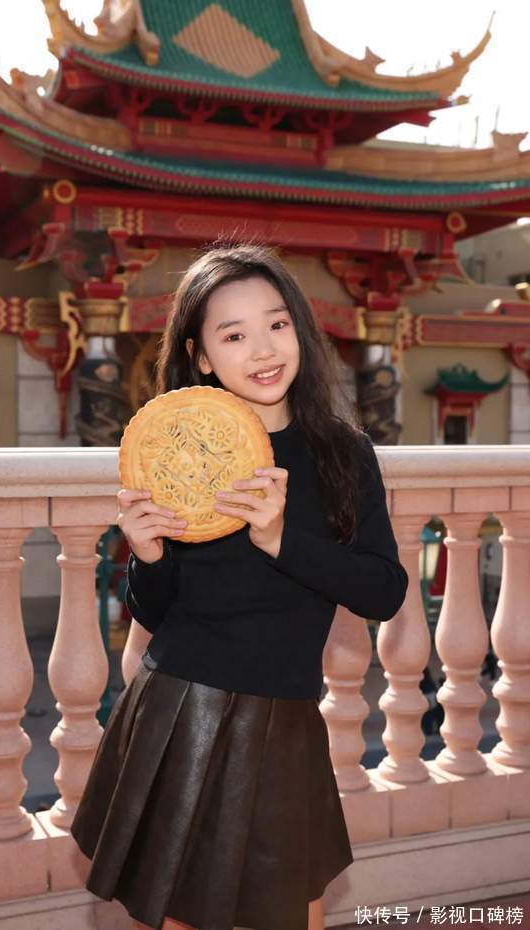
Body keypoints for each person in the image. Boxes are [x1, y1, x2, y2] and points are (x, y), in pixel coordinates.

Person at [70, 243, 409, 930]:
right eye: (234, 335)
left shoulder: (343, 453)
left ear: (299, 331)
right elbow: (159, 611)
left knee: (296, 915)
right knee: (181, 919)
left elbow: (383, 590)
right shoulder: (181, 451)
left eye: (277, 324)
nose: (263, 349)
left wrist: (282, 540)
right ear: (200, 356)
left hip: (287, 720)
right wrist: (147, 555)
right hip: (179, 714)